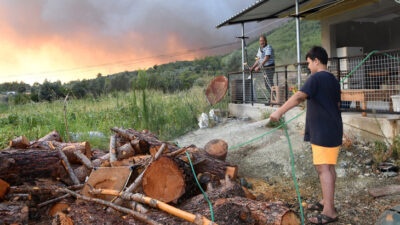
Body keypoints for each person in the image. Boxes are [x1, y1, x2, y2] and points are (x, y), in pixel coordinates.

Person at [270, 46, 342, 224]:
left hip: (323, 131)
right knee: (329, 167)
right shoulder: (332, 79)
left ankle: (329, 212)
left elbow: (299, 97)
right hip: (333, 129)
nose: (309, 66)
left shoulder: (316, 77)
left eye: (309, 63)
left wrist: (279, 112)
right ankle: (327, 201)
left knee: (323, 169)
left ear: (317, 61)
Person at [250, 35, 275, 103]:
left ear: (266, 41)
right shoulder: (260, 49)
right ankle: (273, 98)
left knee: (269, 83)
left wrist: (259, 67)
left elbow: (266, 58)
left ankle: (275, 98)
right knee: (267, 84)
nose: (262, 42)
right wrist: (253, 67)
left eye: (263, 40)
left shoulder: (268, 47)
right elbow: (258, 59)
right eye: (260, 41)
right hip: (264, 68)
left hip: (269, 67)